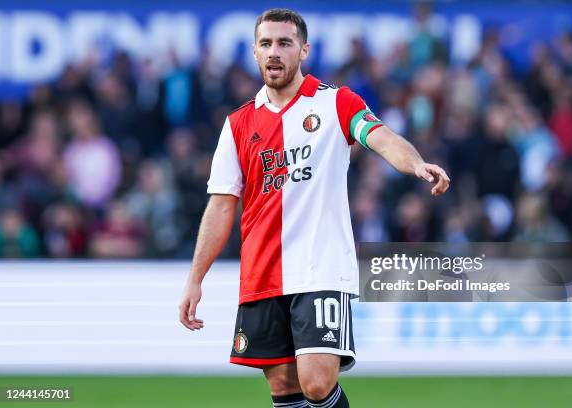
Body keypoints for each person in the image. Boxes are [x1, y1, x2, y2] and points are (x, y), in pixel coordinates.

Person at [179, 8, 450, 408]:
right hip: (263, 271)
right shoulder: (237, 124)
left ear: (303, 50)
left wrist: (415, 164)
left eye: (284, 43)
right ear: (254, 52)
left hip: (320, 267)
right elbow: (221, 206)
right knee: (285, 390)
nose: (275, 52)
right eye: (266, 44)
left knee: (317, 383)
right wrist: (195, 278)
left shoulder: (335, 103)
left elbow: (381, 137)